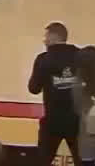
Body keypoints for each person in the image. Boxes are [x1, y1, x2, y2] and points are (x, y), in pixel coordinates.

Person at [29, 22, 81, 163]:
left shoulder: (43, 59)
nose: (44, 40)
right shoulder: (82, 56)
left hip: (53, 120)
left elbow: (34, 89)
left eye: (46, 36)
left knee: (42, 161)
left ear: (54, 36)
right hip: (77, 121)